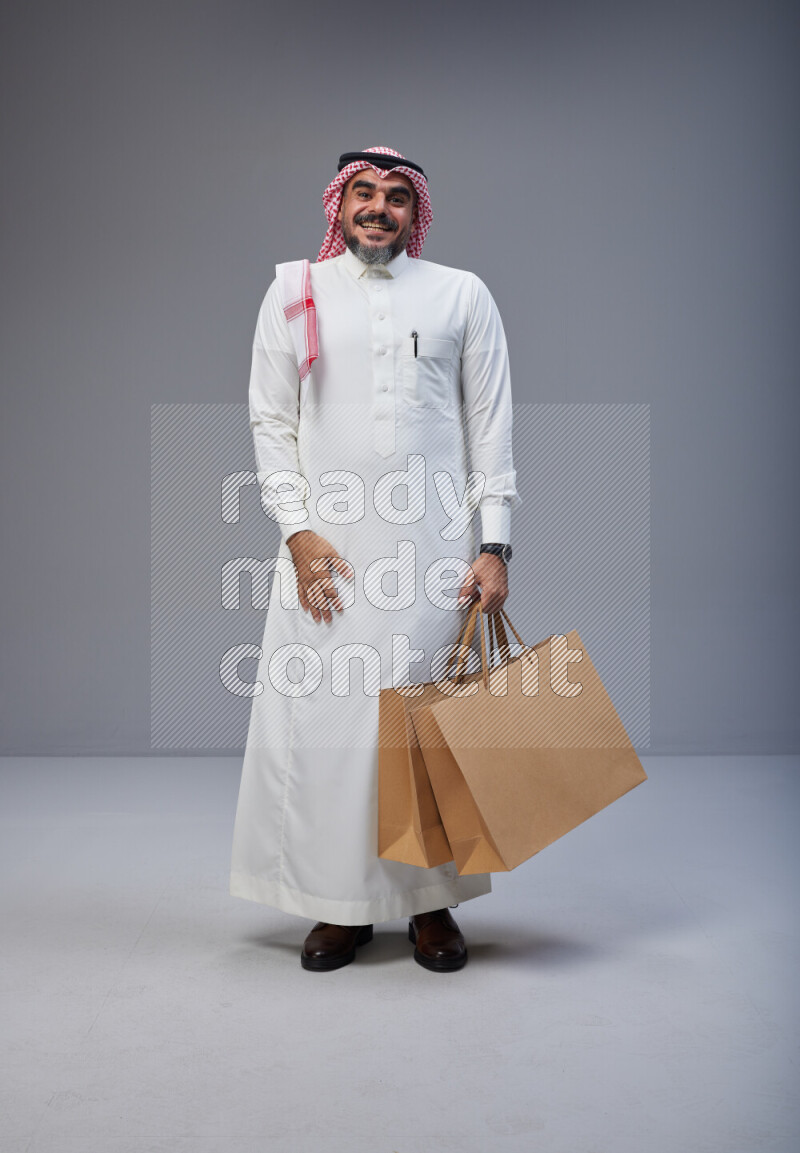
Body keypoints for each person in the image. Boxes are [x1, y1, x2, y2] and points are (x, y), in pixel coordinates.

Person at [229, 146, 521, 972]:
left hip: (432, 553)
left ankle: (431, 906)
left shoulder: (462, 294)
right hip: (329, 554)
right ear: (339, 204)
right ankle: (339, 906)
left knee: (424, 730)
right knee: (332, 729)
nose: (378, 208)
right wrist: (296, 530)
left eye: (396, 197)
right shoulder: (296, 293)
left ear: (414, 211)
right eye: (363, 193)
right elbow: (269, 422)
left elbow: (491, 427)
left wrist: (493, 545)